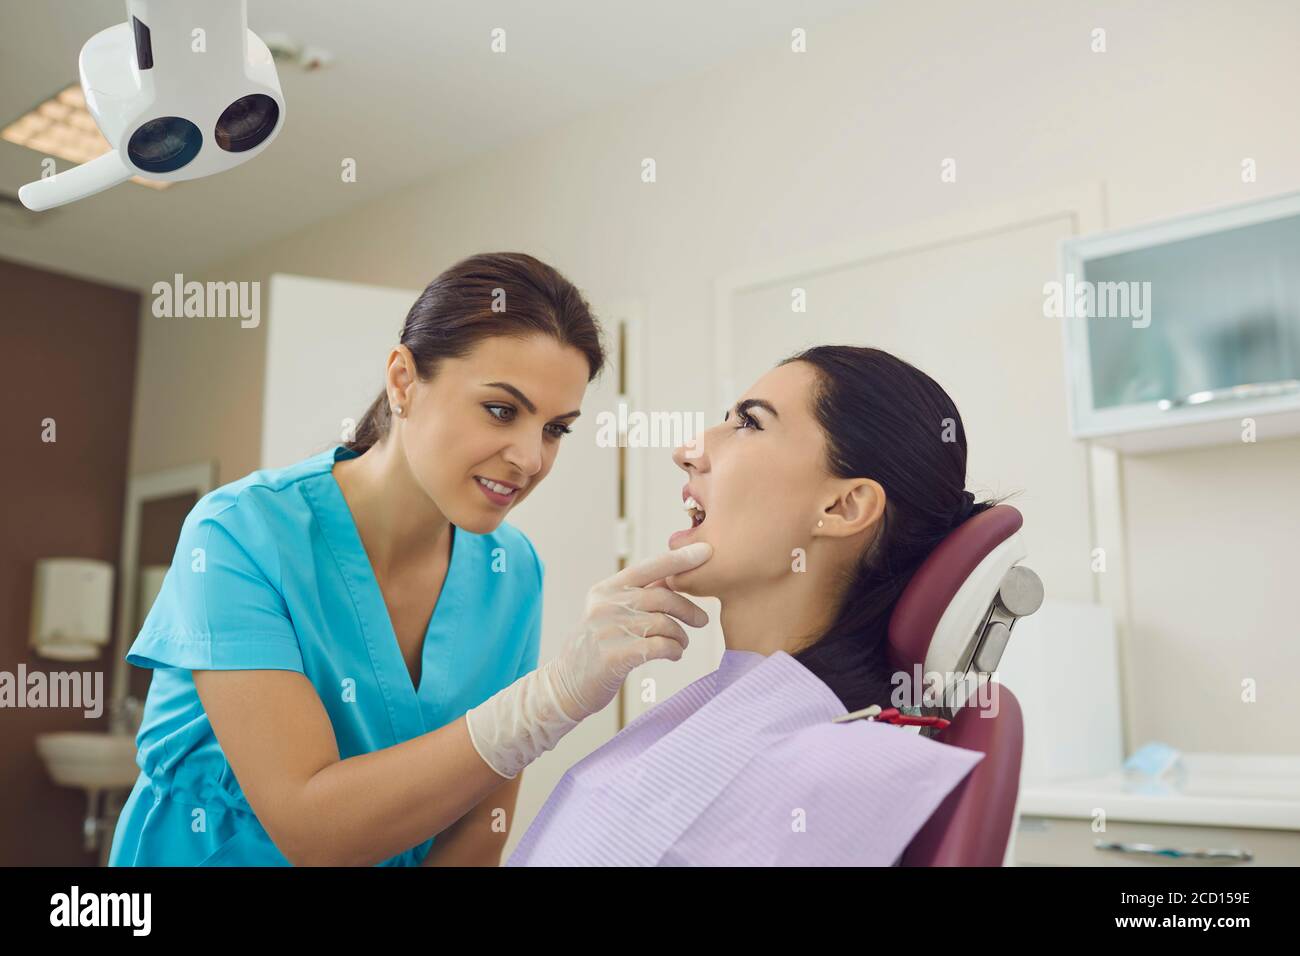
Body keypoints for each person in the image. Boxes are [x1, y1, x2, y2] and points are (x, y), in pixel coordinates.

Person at [108, 252, 713, 866]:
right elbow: (311, 826)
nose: (530, 458)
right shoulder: (240, 534)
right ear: (403, 382)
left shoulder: (512, 570)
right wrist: (551, 697)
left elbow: (482, 822)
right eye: (501, 410)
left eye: (556, 429)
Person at [509, 345, 1006, 866]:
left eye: (749, 423)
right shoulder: (742, 716)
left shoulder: (840, 771)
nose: (687, 449)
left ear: (843, 506)